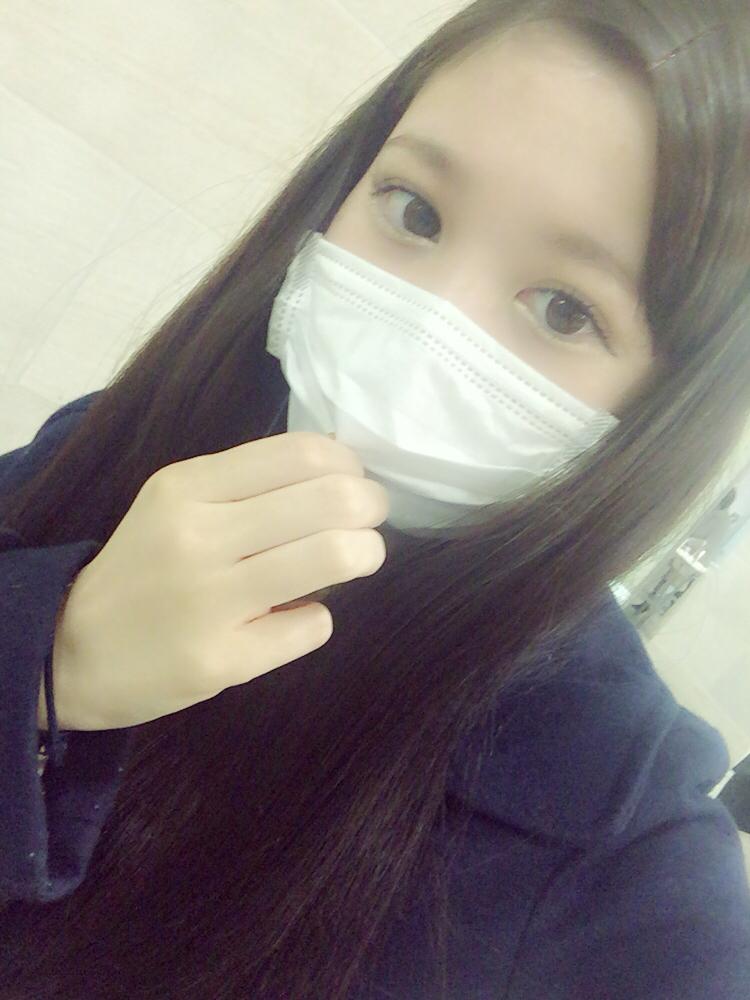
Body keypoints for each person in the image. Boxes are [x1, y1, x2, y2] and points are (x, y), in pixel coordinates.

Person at [1, 2, 749, 998]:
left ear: (664, 412)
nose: (429, 324)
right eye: (415, 211)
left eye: (565, 309)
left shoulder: (623, 847)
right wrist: (47, 665)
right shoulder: (139, 441)